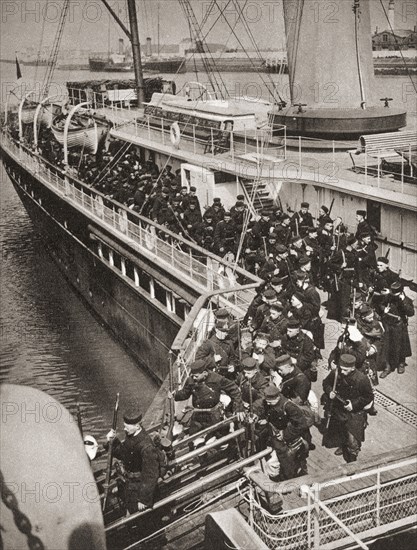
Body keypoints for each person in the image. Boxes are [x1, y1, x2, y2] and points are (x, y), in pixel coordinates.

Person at [105, 407, 160, 513]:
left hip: (139, 490)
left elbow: (151, 474)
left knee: (139, 520)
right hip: (130, 486)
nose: (124, 429)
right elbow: (123, 453)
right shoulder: (132, 436)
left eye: (127, 427)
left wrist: (144, 499)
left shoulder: (146, 446)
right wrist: (111, 441)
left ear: (137, 426)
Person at [322, 354, 374, 463]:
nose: (342, 372)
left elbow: (369, 396)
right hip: (339, 409)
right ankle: (343, 446)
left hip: (354, 412)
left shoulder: (361, 379)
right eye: (341, 369)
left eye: (345, 370)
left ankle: (352, 460)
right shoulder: (336, 373)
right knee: (341, 431)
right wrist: (329, 391)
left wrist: (353, 404)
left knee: (353, 438)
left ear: (352, 368)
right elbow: (326, 383)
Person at [173, 359, 245, 435]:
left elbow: (234, 389)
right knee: (193, 438)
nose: (194, 378)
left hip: (213, 416)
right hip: (198, 415)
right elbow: (185, 393)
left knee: (214, 439)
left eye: (196, 376)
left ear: (204, 373)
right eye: (193, 376)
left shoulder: (217, 379)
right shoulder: (191, 380)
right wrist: (175, 394)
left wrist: (239, 408)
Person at [254, 384, 309, 480]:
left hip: (289, 440)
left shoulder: (289, 407)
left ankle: (283, 480)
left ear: (277, 397)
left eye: (270, 402)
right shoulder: (271, 403)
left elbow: (301, 425)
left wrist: (285, 434)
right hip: (274, 436)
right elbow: (267, 410)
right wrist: (262, 418)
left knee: (285, 462)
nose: (268, 404)